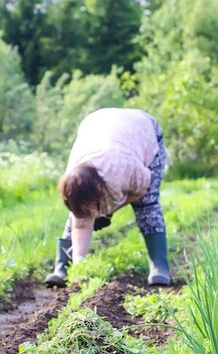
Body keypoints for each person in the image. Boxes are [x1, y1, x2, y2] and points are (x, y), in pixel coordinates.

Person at [45, 107, 171, 288]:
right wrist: (80, 262)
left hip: (142, 130)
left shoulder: (123, 169)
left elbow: (141, 191)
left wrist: (108, 212)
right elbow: (80, 221)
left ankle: (159, 266)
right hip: (99, 125)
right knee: (81, 209)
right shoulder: (75, 179)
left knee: (147, 206)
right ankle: (63, 267)